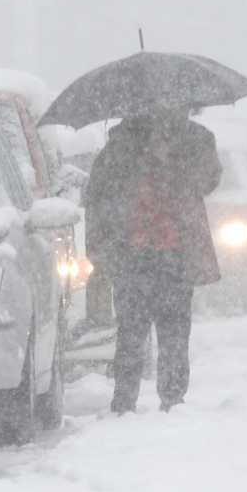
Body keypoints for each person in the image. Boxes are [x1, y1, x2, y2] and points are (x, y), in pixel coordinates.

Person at [83, 106, 222, 412]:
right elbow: (97, 199)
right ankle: (137, 399)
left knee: (158, 330)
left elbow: (208, 180)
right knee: (140, 331)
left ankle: (160, 397)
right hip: (141, 253)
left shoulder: (189, 142)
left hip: (162, 253)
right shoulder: (121, 148)